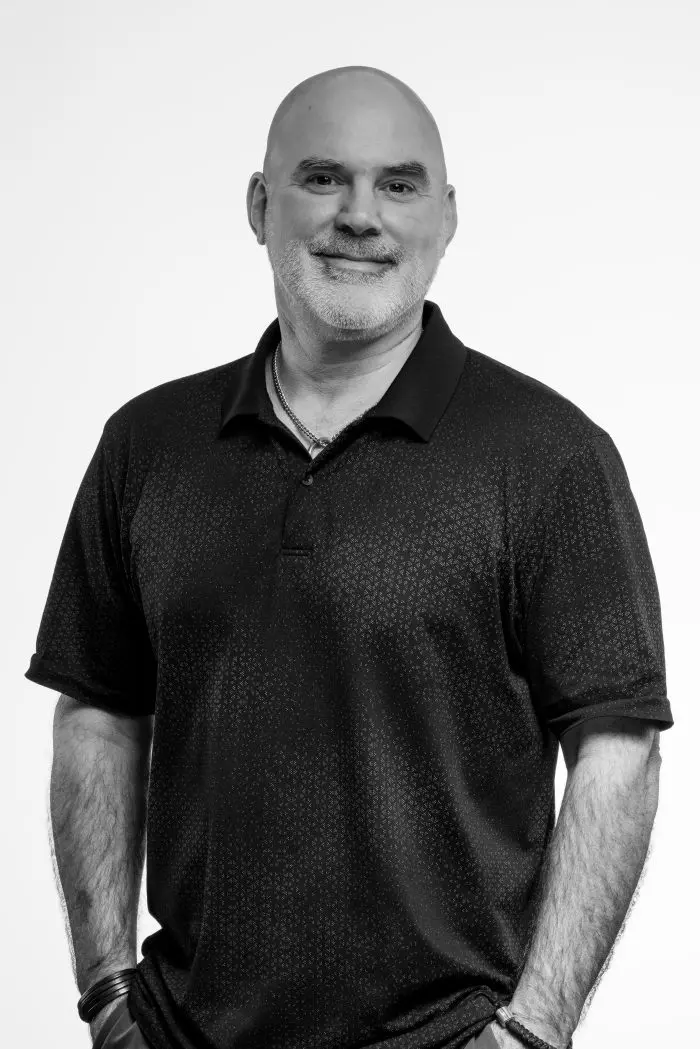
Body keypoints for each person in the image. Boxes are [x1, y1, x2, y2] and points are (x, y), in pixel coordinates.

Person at [25, 65, 673, 1049]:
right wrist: (108, 990)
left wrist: (533, 1030)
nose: (360, 216)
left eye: (398, 184)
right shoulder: (147, 445)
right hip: (181, 1033)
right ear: (259, 204)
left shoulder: (549, 457)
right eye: (322, 178)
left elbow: (618, 750)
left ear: (446, 215)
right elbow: (99, 709)